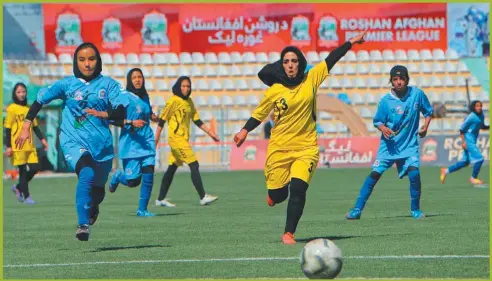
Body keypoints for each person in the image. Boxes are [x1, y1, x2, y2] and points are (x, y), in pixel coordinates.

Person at [233, 30, 368, 245]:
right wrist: (244, 130)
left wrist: (350, 42)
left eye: (294, 61)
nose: (290, 65)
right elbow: (259, 114)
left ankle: (289, 233)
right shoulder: (274, 90)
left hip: (306, 148)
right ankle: (274, 196)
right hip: (279, 149)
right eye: (286, 61)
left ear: (300, 63)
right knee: (278, 196)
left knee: (298, 188)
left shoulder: (311, 80)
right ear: (282, 65)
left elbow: (331, 59)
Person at [15, 42, 129, 242]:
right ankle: (83, 225)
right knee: (86, 173)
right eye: (82, 59)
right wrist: (26, 126)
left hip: (102, 146)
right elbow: (40, 101)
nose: (87, 64)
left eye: (91, 59)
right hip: (72, 141)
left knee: (98, 192)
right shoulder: (67, 84)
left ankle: (93, 207)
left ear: (98, 60)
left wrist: (107, 113)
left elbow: (122, 110)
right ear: (76, 62)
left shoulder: (109, 85)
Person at [345, 65, 433, 221]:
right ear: (391, 81)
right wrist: (383, 128)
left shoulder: (417, 94)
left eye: (401, 79)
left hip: (409, 145)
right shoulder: (386, 101)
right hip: (389, 147)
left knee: (414, 173)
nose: (398, 82)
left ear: (407, 79)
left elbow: (428, 111)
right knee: (374, 174)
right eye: (395, 79)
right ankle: (357, 209)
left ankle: (416, 210)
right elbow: (377, 121)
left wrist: (425, 126)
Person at [86, 68, 156, 217]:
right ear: (129, 80)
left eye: (140, 77)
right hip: (131, 145)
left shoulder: (145, 96)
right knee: (133, 181)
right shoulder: (124, 98)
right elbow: (112, 118)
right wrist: (131, 122)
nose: (138, 80)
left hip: (147, 142)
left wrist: (153, 116)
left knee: (149, 175)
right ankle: (118, 176)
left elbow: (147, 113)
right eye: (134, 77)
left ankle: (142, 210)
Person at [154, 76, 220, 207]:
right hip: (176, 139)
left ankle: (160, 199)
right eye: (183, 86)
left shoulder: (189, 102)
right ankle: (203, 196)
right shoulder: (173, 101)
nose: (185, 88)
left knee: (172, 168)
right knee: (194, 164)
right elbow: (162, 121)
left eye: (188, 86)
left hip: (183, 139)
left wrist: (211, 133)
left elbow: (197, 120)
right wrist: (155, 140)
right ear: (178, 87)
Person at [4, 82, 48, 204]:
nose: (21, 94)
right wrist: (8, 146)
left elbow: (35, 127)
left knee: (35, 168)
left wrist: (43, 140)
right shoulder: (12, 108)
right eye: (19, 92)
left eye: (23, 91)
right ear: (14, 94)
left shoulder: (29, 108)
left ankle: (18, 187)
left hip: (30, 144)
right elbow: (7, 129)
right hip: (17, 145)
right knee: (22, 171)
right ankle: (27, 196)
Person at [440, 100, 489, 185]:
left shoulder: (481, 115)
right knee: (480, 159)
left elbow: (482, 126)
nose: (479, 107)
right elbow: (462, 129)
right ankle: (473, 178)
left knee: (465, 162)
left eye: (480, 106)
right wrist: (463, 142)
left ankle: (445, 171)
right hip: (468, 140)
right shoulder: (471, 117)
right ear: (473, 107)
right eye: (477, 106)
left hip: (473, 140)